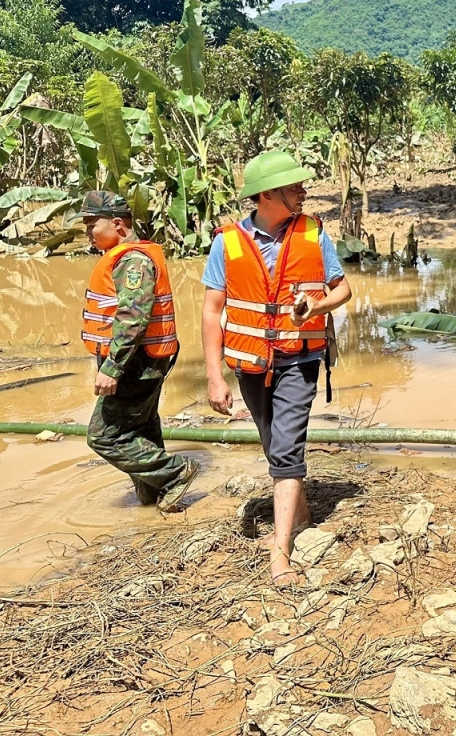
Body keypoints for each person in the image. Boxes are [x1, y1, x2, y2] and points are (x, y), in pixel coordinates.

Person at [200, 151, 352, 585]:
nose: (304, 191)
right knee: (272, 442)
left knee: (285, 448)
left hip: (299, 359)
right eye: (294, 186)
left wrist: (316, 304)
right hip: (250, 363)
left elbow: (344, 290)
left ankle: (280, 552)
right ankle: (301, 513)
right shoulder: (226, 243)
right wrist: (214, 376)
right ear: (267, 195)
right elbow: (212, 312)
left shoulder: (313, 235)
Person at [80, 190, 198, 511]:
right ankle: (152, 495)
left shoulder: (133, 261)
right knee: (140, 427)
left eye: (92, 223)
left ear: (117, 224)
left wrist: (112, 367)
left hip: (136, 362)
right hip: (143, 358)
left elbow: (133, 317)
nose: (87, 231)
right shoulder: (123, 257)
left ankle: (175, 473)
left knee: (105, 436)